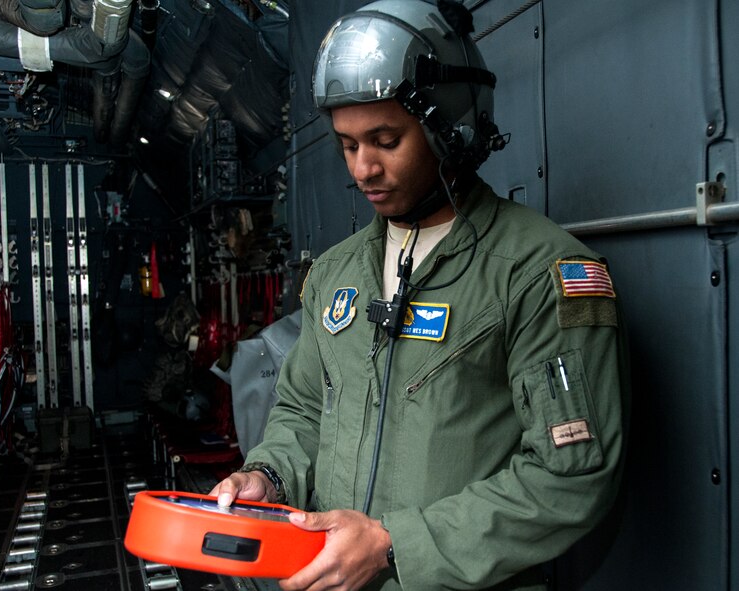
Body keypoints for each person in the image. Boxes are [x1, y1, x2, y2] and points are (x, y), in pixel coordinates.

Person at [210, 1, 629, 590]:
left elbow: (571, 474)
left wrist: (391, 546)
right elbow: (303, 410)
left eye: (385, 139)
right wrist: (269, 476)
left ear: (450, 127)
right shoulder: (338, 273)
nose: (363, 168)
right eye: (348, 144)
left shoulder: (536, 272)